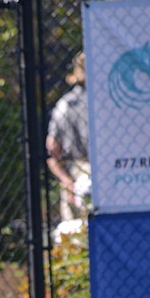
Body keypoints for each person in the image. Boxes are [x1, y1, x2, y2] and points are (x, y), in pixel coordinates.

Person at [46, 51, 91, 224]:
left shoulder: (65, 104)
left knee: (75, 237)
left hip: (75, 171)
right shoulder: (107, 101)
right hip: (106, 170)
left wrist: (67, 181)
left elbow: (52, 148)